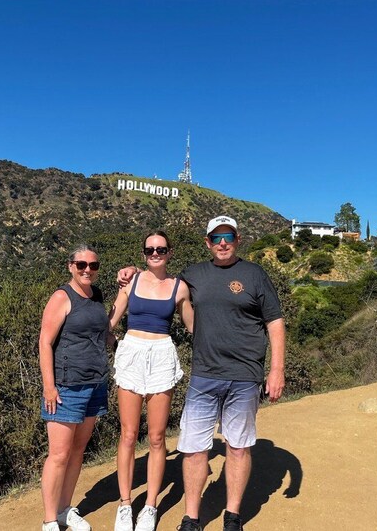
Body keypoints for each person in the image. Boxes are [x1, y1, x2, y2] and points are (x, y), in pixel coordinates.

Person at [118, 216, 286, 531]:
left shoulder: (254, 274)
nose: (223, 242)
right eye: (216, 237)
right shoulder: (193, 275)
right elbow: (159, 278)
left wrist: (276, 370)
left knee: (237, 446)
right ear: (207, 242)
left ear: (238, 239)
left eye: (229, 236)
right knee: (194, 448)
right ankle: (191, 517)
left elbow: (275, 322)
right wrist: (132, 272)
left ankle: (232, 516)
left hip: (245, 374)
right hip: (204, 375)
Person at [108, 231, 194, 531]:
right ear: (143, 252)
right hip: (132, 351)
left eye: (160, 249)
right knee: (128, 434)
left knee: (157, 438)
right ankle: (124, 504)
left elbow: (192, 324)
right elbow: (112, 318)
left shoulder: (179, 287)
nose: (155, 253)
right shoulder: (130, 281)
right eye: (149, 249)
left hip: (161, 355)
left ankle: (150, 506)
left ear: (170, 253)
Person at [39, 245, 111, 531]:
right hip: (66, 386)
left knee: (78, 450)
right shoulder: (61, 297)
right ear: (70, 266)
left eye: (93, 266)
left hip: (95, 383)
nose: (87, 270)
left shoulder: (96, 296)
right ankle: (48, 520)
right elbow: (45, 342)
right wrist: (49, 386)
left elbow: (104, 331)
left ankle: (64, 509)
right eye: (81, 265)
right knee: (58, 455)